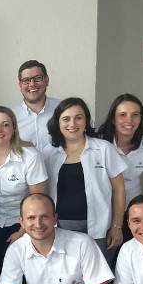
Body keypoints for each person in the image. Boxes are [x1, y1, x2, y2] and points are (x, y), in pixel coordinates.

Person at [0, 106, 47, 284]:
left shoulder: (29, 156)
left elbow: (38, 199)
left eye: (5, 125)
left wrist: (22, 231)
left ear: (14, 129)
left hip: (25, 222)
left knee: (23, 274)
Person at [43, 97, 126, 260]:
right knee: (66, 273)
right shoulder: (48, 153)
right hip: (59, 229)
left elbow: (119, 189)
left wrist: (117, 226)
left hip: (99, 229)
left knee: (98, 274)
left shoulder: (104, 149)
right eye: (66, 119)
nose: (72, 124)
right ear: (58, 123)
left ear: (86, 121)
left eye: (78, 118)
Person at [96, 93, 143, 209]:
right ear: (113, 119)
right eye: (122, 115)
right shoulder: (99, 144)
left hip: (133, 208)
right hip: (104, 208)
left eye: (135, 115)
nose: (129, 120)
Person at [12, 60, 61, 151]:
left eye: (38, 78)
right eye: (26, 80)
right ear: (20, 85)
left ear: (47, 80)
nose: (32, 84)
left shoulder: (63, 110)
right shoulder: (10, 117)